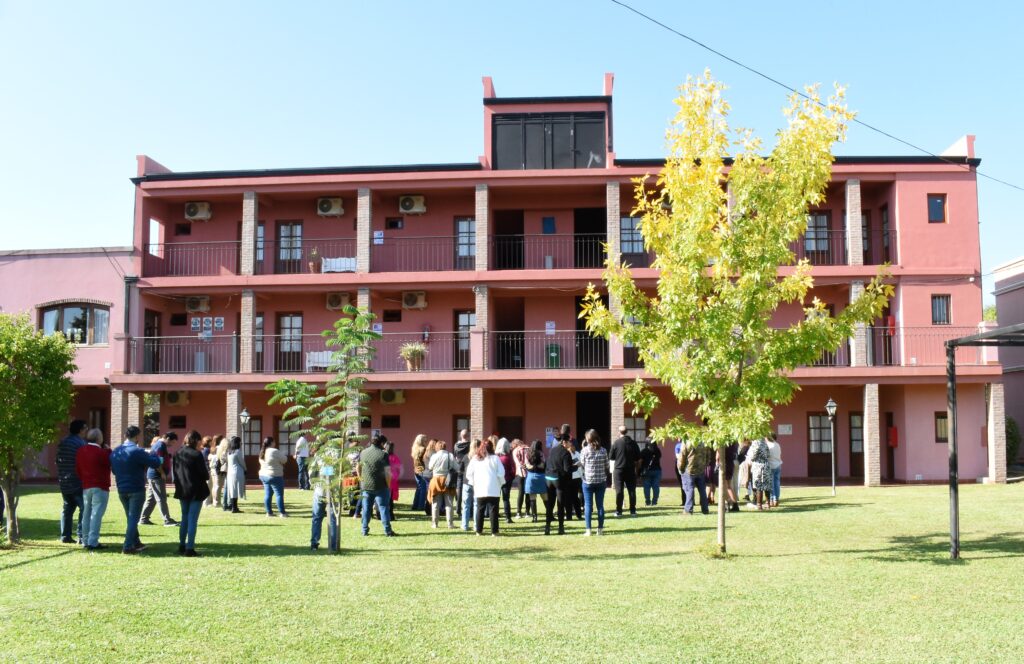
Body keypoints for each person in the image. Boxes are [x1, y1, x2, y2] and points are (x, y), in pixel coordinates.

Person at [109, 425, 161, 554]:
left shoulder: (116, 451)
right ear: (137, 436)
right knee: (133, 518)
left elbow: (114, 471)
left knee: (131, 517)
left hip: (121, 488)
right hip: (136, 488)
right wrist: (153, 453)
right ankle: (128, 546)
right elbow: (155, 463)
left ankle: (136, 542)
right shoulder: (137, 451)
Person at [172, 430, 210, 556]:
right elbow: (204, 474)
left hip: (182, 489)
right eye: (199, 441)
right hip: (196, 490)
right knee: (192, 519)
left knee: (184, 518)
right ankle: (190, 548)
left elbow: (175, 472)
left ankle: (182, 545)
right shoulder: (197, 454)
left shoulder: (177, 453)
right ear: (196, 440)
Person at [76, 428, 111, 550]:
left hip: (86, 485)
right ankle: (93, 541)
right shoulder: (102, 452)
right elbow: (109, 462)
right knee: (96, 514)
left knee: (86, 513)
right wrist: (108, 450)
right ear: (99, 439)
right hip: (100, 486)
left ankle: (85, 540)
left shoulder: (81, 450)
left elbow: (78, 469)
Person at [465, 438, 505, 536]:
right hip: (493, 488)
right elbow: (501, 473)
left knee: (480, 509)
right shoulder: (495, 458)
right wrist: (500, 483)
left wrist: (473, 482)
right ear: (491, 447)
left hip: (479, 488)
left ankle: (479, 531)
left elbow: (469, 473)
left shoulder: (475, 459)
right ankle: (494, 532)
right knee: (493, 510)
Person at [56, 419, 87, 544]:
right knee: (84, 508)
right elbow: (84, 462)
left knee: (67, 508)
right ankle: (81, 536)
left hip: (64, 481)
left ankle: (65, 536)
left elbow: (57, 461)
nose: (86, 431)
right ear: (80, 430)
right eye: (85, 428)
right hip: (76, 481)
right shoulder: (80, 443)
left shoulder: (63, 442)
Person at [359, 435, 396, 536]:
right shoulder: (384, 454)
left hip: (366, 485)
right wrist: (388, 485)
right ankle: (388, 530)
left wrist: (360, 478)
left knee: (366, 509)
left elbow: (358, 466)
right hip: (381, 486)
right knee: (383, 508)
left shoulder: (363, 452)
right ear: (381, 443)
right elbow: (387, 472)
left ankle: (364, 530)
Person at [140, 431, 179, 526]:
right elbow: (157, 461)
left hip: (153, 475)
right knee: (161, 498)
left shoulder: (160, 445)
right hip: (156, 475)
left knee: (151, 499)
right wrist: (162, 473)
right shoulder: (160, 446)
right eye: (172, 442)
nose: (172, 444)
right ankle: (167, 520)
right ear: (168, 438)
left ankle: (143, 519)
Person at [579, 429, 610, 536]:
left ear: (588, 439)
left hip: (588, 481)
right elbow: (607, 466)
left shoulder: (585, 450)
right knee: (600, 506)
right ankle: (600, 530)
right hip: (601, 481)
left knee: (588, 505)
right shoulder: (603, 450)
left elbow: (582, 464)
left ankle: (588, 530)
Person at [544, 434, 576, 535]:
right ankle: (561, 528)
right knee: (560, 504)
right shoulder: (566, 453)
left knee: (550, 504)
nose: (571, 444)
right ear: (564, 442)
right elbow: (567, 469)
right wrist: (576, 466)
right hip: (558, 480)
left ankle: (547, 528)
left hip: (548, 478)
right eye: (569, 442)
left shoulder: (552, 450)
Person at [610, 425, 640, 517]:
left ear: (619, 432)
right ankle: (633, 511)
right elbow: (638, 457)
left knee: (619, 491)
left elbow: (611, 457)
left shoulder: (616, 443)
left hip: (619, 469)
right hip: (630, 469)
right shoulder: (633, 443)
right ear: (627, 432)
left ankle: (619, 511)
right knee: (632, 490)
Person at [679, 438, 713, 515]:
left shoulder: (686, 442)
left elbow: (682, 456)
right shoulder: (704, 441)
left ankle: (688, 510)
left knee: (689, 489)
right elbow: (708, 455)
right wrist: (705, 465)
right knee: (702, 490)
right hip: (700, 469)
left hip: (689, 470)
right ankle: (705, 509)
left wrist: (681, 468)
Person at [427, 440, 456, 529]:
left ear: (437, 447)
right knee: (449, 504)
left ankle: (435, 524)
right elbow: (456, 467)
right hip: (448, 480)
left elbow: (430, 467)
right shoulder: (450, 455)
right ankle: (450, 524)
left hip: (436, 480)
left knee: (435, 504)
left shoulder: (434, 456)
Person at [258, 437, 288, 517]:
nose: (275, 443)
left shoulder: (262, 451)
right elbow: (284, 460)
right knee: (279, 495)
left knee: (268, 494)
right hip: (275, 475)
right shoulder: (274, 451)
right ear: (271, 442)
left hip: (264, 475)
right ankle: (282, 513)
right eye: (274, 442)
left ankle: (269, 512)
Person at [524, 440, 547, 523]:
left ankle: (534, 517)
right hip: (541, 476)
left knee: (532, 498)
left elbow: (527, 465)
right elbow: (543, 465)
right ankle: (549, 515)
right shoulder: (541, 454)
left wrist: (532, 466)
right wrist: (537, 466)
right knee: (545, 497)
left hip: (531, 476)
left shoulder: (527, 454)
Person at [459, 439, 479, 531]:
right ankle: (476, 525)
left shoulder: (466, 457)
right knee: (476, 505)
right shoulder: (480, 457)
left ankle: (464, 525)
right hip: (477, 482)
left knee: (466, 505)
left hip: (466, 482)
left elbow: (461, 470)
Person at [223, 436, 246, 513]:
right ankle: (234, 507)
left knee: (232, 490)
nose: (241, 443)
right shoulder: (238, 452)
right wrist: (245, 469)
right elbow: (242, 462)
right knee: (236, 489)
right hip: (237, 472)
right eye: (240, 442)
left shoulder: (229, 452)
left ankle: (233, 507)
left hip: (230, 473)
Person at [496, 438, 516, 524]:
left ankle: (495, 514)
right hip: (507, 480)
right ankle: (508, 517)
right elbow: (513, 469)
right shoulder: (508, 457)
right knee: (506, 498)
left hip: (497, 480)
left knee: (496, 498)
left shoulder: (496, 457)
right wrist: (511, 477)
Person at [748, 437, 772, 511]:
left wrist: (750, 458)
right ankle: (768, 503)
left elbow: (752, 456)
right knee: (767, 485)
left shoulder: (756, 443)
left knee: (759, 486)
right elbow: (768, 454)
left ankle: (759, 505)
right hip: (766, 465)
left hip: (758, 466)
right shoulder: (764, 442)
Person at [452, 429, 471, 519]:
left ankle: (458, 510)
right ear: (468, 436)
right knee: (469, 488)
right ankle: (469, 509)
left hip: (458, 467)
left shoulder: (456, 445)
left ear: (460, 436)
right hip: (467, 467)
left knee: (459, 488)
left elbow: (455, 455)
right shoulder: (470, 445)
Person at [639, 440, 662, 507]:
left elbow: (640, 461)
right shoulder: (657, 451)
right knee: (656, 487)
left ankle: (648, 502)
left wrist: (639, 470)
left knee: (646, 487)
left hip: (646, 471)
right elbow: (659, 457)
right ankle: (654, 502)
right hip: (657, 470)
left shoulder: (644, 451)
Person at [512, 439, 531, 519]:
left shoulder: (515, 451)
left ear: (515, 444)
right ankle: (527, 512)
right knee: (528, 492)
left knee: (520, 493)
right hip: (529, 472)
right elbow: (530, 460)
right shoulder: (528, 449)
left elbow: (517, 462)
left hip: (520, 473)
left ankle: (518, 512)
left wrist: (521, 465)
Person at [410, 434, 428, 512]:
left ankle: (415, 505)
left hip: (416, 469)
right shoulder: (423, 449)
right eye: (425, 440)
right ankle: (421, 506)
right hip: (422, 470)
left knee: (419, 488)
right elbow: (425, 460)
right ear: (421, 441)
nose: (426, 441)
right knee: (423, 488)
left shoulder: (414, 448)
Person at [385, 441, 403, 511]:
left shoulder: (383, 456)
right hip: (393, 478)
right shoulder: (395, 457)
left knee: (384, 495)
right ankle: (390, 511)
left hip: (385, 477)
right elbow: (399, 468)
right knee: (391, 496)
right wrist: (398, 476)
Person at [569, 440, 584, 520]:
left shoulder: (578, 453)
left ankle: (578, 509)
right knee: (572, 496)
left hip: (579, 477)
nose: (570, 447)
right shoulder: (568, 454)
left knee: (578, 494)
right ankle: (571, 510)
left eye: (571, 446)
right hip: (571, 477)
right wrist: (575, 464)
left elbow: (582, 464)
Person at [767, 434, 783, 507]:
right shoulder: (777, 444)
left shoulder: (768, 445)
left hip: (771, 465)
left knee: (771, 484)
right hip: (778, 464)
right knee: (777, 483)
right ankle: (776, 499)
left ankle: (772, 500)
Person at [215, 435, 230, 509]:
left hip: (219, 469)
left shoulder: (219, 450)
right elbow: (225, 460)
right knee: (225, 487)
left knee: (218, 486)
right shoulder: (225, 452)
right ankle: (223, 502)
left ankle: (217, 501)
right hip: (224, 469)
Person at [204, 436, 217, 506]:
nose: (212, 443)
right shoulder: (206, 450)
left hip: (208, 470)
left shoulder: (206, 449)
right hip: (208, 470)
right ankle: (206, 502)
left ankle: (209, 501)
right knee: (208, 486)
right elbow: (207, 461)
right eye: (210, 441)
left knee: (210, 486)